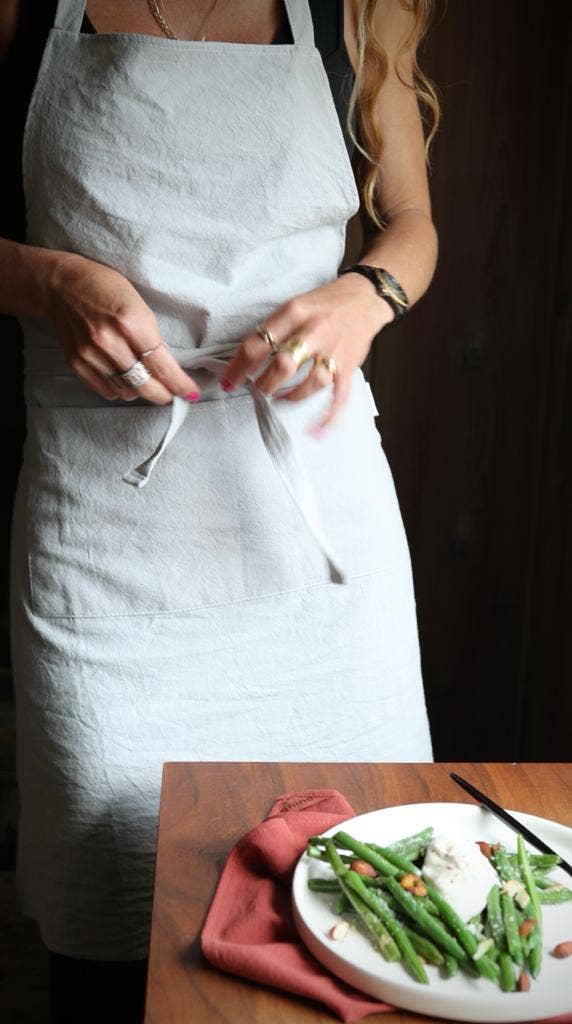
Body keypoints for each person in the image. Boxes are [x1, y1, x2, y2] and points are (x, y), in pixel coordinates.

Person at [0, 0, 440, 1019]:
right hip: (105, 542)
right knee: (114, 932)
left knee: (368, 906)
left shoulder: (357, 10)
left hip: (317, 534)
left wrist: (366, 294)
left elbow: (412, 223)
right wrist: (45, 279)